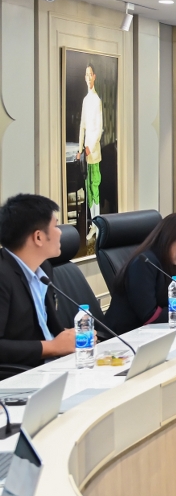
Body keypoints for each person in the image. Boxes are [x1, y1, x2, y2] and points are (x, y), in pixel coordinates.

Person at [0, 194, 76, 365]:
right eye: (55, 226)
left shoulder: (44, 268)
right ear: (39, 237)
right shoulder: (3, 276)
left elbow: (45, 328)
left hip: (55, 365)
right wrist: (53, 347)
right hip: (22, 374)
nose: (60, 232)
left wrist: (71, 337)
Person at [76, 63, 105, 231]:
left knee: (95, 185)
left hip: (94, 152)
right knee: (88, 188)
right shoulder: (86, 100)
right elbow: (83, 126)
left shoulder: (97, 100)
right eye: (86, 75)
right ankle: (92, 225)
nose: (88, 77)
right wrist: (80, 149)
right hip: (86, 153)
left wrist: (90, 148)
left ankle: (97, 225)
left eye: (91, 74)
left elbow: (98, 129)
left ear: (94, 77)